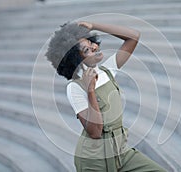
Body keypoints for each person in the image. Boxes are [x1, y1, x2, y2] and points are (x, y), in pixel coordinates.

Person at [46, 21, 166, 172]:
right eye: (87, 49)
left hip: (121, 153)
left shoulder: (108, 70)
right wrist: (90, 91)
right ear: (76, 59)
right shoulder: (75, 88)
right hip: (94, 161)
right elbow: (95, 132)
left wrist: (95, 26)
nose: (94, 47)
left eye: (91, 42)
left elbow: (133, 37)